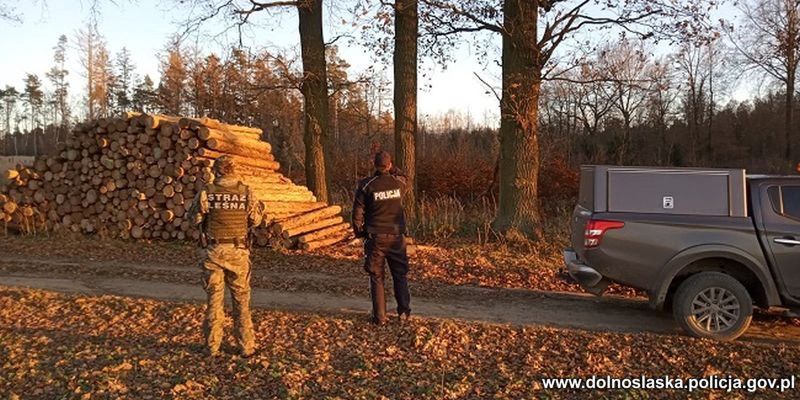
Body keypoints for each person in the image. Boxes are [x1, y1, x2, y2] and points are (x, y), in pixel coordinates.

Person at [189, 155, 264, 357]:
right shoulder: (246, 192)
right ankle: (246, 347)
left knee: (214, 300)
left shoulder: (207, 192)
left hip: (213, 252)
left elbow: (194, 219)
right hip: (238, 253)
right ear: (234, 170)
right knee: (241, 301)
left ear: (217, 170)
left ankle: (212, 346)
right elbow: (256, 220)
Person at [352, 151, 411, 325]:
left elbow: (357, 213)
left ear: (374, 165)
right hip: (396, 237)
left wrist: (360, 233)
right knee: (400, 275)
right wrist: (392, 169)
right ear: (390, 165)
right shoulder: (399, 183)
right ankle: (404, 313)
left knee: (377, 277)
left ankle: (380, 318)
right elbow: (406, 177)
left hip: (375, 237)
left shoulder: (366, 185)